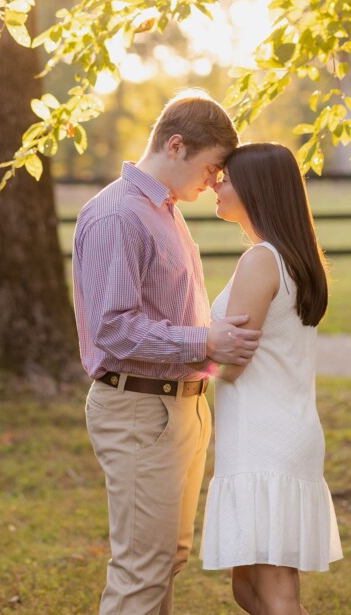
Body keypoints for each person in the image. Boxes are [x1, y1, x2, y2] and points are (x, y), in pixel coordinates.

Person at [72, 91, 262, 615]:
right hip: (139, 408)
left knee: (166, 560)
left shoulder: (166, 212)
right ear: (176, 146)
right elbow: (115, 329)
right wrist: (207, 340)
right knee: (141, 570)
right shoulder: (118, 215)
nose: (217, 180)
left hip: (179, 405)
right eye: (213, 166)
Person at [201, 142, 343, 615]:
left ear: (256, 188)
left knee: (277, 592)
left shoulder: (262, 260)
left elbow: (232, 360)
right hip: (275, 432)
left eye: (226, 177)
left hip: (266, 438)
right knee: (249, 590)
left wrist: (183, 364)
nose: (215, 184)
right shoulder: (290, 258)